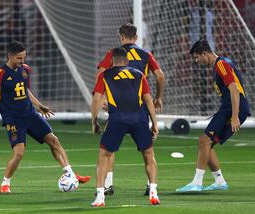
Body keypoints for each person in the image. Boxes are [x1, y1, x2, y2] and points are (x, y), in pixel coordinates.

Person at [0, 41, 91, 193]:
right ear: (10, 56)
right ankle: (5, 184)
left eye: (24, 57)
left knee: (53, 140)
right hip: (13, 119)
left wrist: (39, 105)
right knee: (19, 153)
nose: (22, 61)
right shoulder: (0, 74)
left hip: (30, 114)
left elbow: (25, 90)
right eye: (19, 58)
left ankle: (70, 174)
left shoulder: (25, 70)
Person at [96, 23, 165, 196]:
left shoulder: (114, 53)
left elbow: (101, 74)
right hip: (139, 107)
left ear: (121, 37)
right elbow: (160, 76)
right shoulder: (146, 54)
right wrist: (159, 97)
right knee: (147, 149)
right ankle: (151, 186)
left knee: (108, 148)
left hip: (118, 106)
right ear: (137, 37)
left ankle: (108, 185)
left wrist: (103, 97)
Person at [176, 39, 251, 192]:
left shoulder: (221, 64)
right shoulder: (220, 64)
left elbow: (234, 89)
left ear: (205, 53)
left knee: (205, 140)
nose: (197, 62)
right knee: (206, 143)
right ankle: (219, 181)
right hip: (228, 109)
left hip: (231, 110)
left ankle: (197, 183)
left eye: (197, 58)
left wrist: (235, 116)